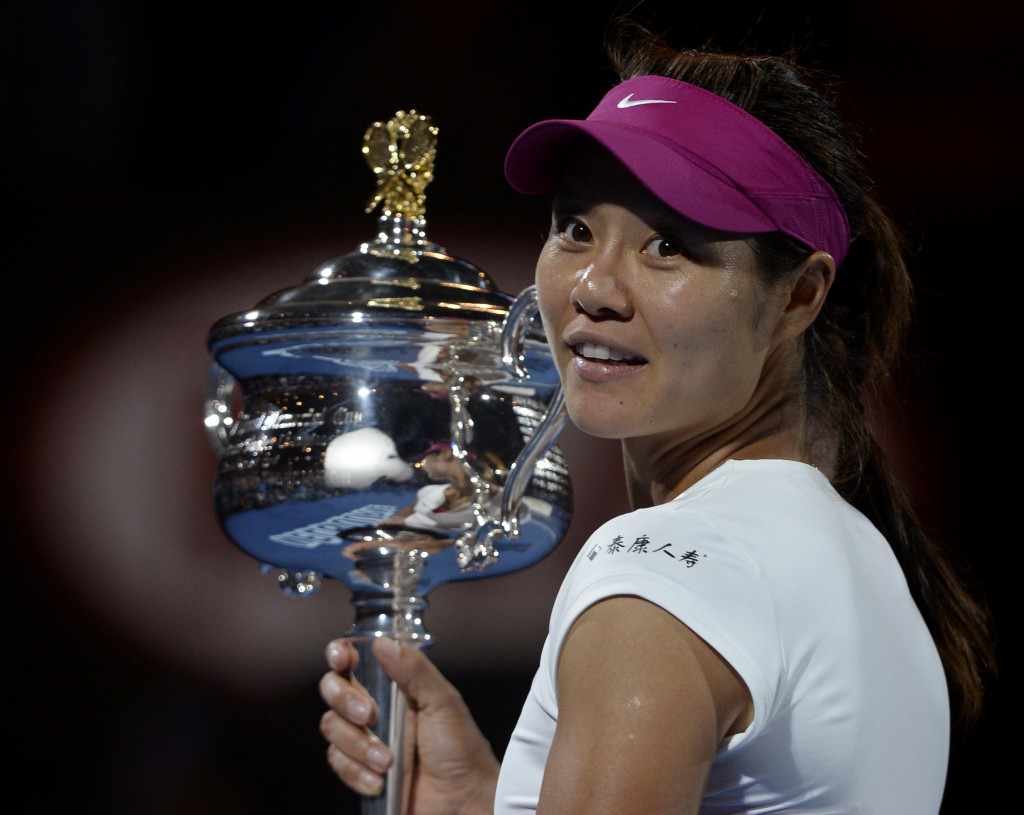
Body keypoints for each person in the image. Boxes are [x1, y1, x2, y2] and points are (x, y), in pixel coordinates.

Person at [317, 19, 995, 814]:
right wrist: (483, 802)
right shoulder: (866, 563)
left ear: (799, 296)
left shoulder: (666, 571)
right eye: (575, 228)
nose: (595, 286)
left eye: (667, 245)